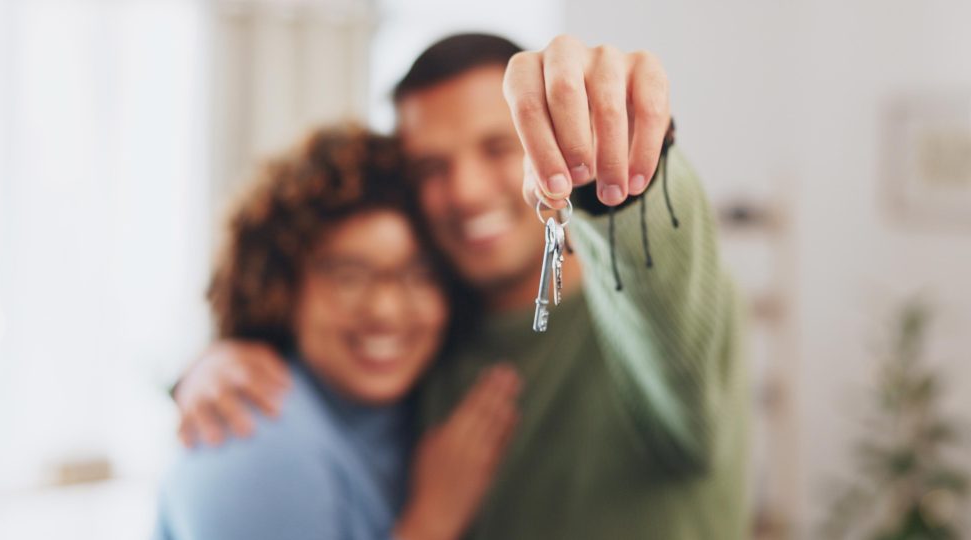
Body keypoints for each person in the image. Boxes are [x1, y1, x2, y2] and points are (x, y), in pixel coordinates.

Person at [174, 33, 749, 539]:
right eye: (431, 168)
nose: (467, 191)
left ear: (544, 141)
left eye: (498, 149)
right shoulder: (437, 338)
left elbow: (663, 288)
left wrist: (618, 168)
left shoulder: (648, 326)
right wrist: (217, 357)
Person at [154, 125, 522, 540]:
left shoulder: (427, 409)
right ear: (285, 287)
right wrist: (431, 523)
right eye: (349, 277)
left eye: (421, 275)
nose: (385, 310)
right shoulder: (252, 439)